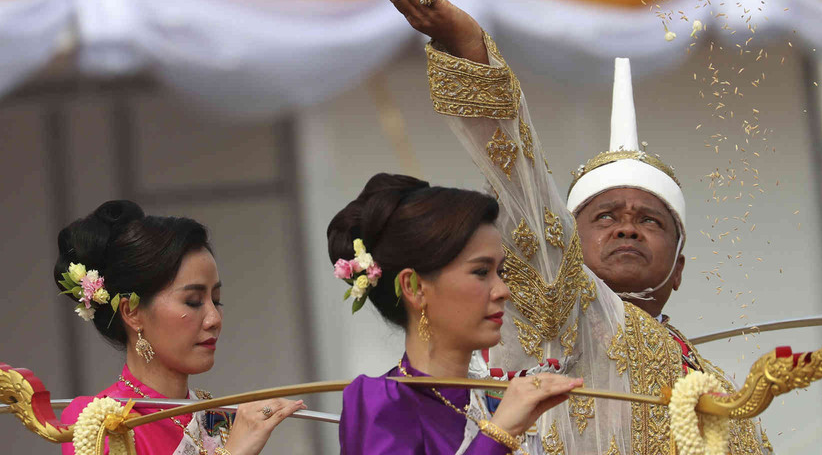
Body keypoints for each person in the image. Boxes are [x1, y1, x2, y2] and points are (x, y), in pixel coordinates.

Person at [373, 0, 769, 455]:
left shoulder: (709, 381)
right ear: (561, 242)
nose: (627, 227)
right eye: (604, 216)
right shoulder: (564, 307)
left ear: (680, 269)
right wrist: (468, 49)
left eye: (651, 220)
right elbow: (524, 188)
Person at [329, 173, 583, 455]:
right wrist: (499, 434)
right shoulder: (380, 401)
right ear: (414, 288)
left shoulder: (496, 398)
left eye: (501, 272)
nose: (503, 291)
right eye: (481, 272)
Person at [56, 200, 302, 455]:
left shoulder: (215, 419)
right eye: (193, 302)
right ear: (133, 312)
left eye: (216, 301)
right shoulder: (99, 418)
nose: (214, 318)